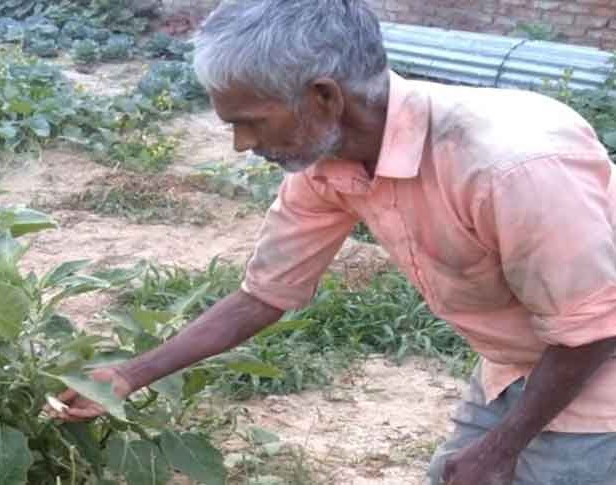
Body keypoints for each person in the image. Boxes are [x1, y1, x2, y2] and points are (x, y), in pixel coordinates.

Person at [44, 1, 616, 483]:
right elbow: (264, 294)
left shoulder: (510, 165)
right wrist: (129, 375)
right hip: (514, 365)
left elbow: (595, 329)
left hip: (598, 380)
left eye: (249, 121)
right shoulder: (329, 160)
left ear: (324, 96)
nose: (242, 144)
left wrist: (498, 451)